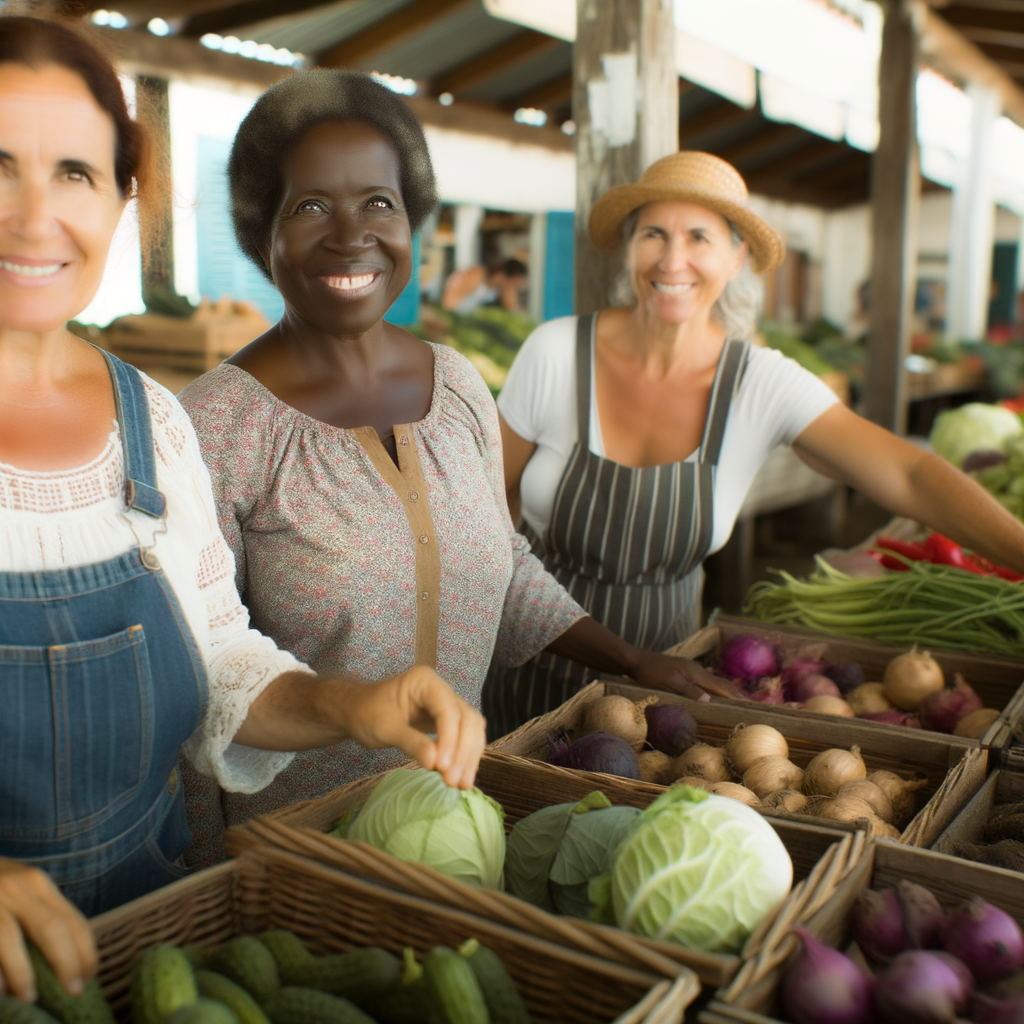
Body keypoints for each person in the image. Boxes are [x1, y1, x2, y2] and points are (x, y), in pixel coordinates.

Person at [0, 16, 485, 1001]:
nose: (33, 217)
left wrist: (354, 703)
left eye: (76, 175)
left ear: (125, 198)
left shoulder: (155, 428)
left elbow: (221, 662)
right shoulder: (227, 414)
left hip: (155, 951)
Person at [179, 71, 732, 857]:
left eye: (380, 202)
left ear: (414, 221)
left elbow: (502, 557)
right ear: (257, 228)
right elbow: (200, 670)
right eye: (309, 206)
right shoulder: (215, 425)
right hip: (295, 849)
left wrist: (630, 658)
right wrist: (209, 868)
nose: (350, 234)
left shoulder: (458, 383)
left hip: (456, 822)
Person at [486, 150, 1024, 735]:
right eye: (653, 234)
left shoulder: (758, 384)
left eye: (700, 237)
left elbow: (911, 475)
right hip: (532, 662)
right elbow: (486, 506)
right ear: (628, 246)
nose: (673, 259)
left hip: (666, 691)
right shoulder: (555, 353)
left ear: (737, 256)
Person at [442, 258, 528, 314]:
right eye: (515, 284)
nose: (514, 289)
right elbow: (448, 303)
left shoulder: (497, 289)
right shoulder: (476, 275)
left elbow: (513, 313)